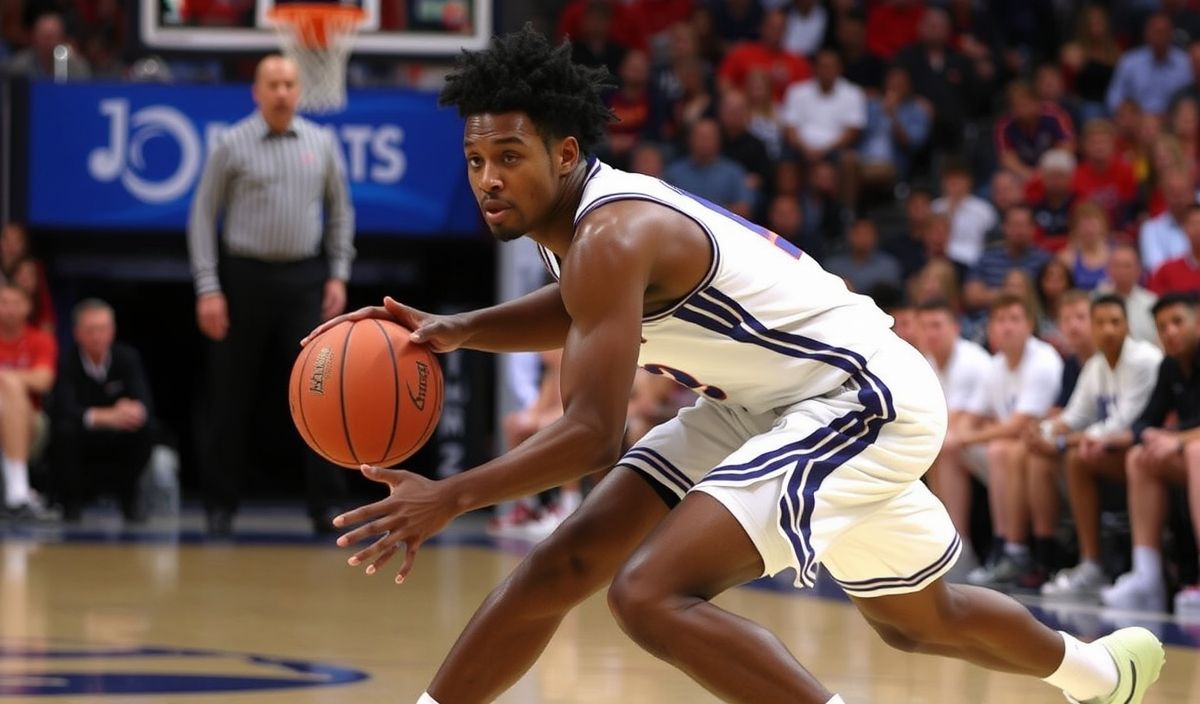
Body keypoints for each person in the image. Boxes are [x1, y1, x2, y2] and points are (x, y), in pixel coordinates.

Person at [310, 27, 1165, 704]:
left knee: (647, 594)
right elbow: (583, 310)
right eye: (474, 161)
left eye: (508, 158)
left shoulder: (611, 234)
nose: (488, 179)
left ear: (565, 155)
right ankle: (1099, 676)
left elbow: (592, 436)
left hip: (855, 395)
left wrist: (449, 495)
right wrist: (464, 328)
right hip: (761, 404)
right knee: (916, 617)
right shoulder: (582, 236)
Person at [187, 54, 355, 537]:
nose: (282, 92)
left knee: (318, 395)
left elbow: (340, 214)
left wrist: (337, 275)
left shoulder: (321, 144)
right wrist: (208, 286)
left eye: (289, 84)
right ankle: (220, 506)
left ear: (300, 91)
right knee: (229, 397)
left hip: (304, 279)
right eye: (272, 84)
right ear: (256, 92)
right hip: (241, 280)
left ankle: (326, 505)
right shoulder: (230, 144)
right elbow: (202, 217)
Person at [1039, 295, 1163, 601]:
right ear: (1093, 328)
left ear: (1128, 326)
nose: (1108, 329)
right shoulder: (1095, 365)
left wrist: (1063, 439)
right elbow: (1073, 416)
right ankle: (1090, 564)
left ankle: (1146, 572)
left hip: (1139, 448)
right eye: (1101, 323)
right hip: (1115, 450)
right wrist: (1041, 431)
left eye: (1115, 322)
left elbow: (1124, 424)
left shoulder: (1144, 360)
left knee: (1076, 454)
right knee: (1068, 457)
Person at [1099, 293, 1200, 614]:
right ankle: (1148, 577)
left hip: (1195, 451)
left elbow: (1183, 439)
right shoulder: (1171, 366)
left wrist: (1178, 440)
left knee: (1196, 452)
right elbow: (1146, 420)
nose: (1170, 332)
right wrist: (1143, 436)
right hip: (1191, 451)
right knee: (1139, 457)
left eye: (1177, 322)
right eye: (1162, 326)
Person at [50, 299, 154, 523]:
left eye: (103, 329)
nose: (97, 336)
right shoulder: (67, 362)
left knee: (146, 428)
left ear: (112, 330)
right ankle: (71, 502)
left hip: (118, 434)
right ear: (77, 333)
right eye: (90, 330)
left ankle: (129, 498)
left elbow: (144, 403)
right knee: (64, 431)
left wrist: (133, 411)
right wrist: (107, 416)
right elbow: (64, 408)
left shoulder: (127, 357)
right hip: (82, 436)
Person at [0, 283, 56, 520]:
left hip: (31, 425)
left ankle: (15, 488)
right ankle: (18, 492)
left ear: (27, 307)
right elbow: (32, 378)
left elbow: (43, 381)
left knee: (11, 391)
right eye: (3, 303)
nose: (9, 309)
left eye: (15, 303)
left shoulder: (40, 340)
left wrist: (6, 378)